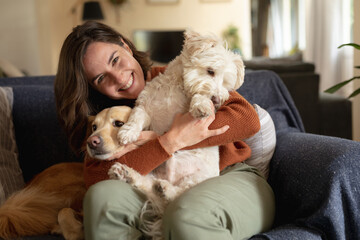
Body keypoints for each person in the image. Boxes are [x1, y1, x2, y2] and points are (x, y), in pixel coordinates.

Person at [54, 21, 275, 240]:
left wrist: (170, 138)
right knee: (101, 198)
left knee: (186, 215)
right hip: (157, 186)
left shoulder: (179, 75)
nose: (120, 78)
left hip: (226, 175)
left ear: (126, 47)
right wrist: (167, 143)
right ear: (92, 87)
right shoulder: (105, 118)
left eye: (116, 60)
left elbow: (247, 120)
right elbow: (97, 178)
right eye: (101, 78)